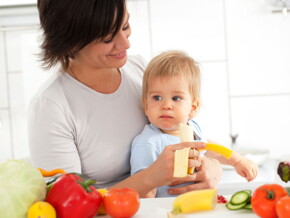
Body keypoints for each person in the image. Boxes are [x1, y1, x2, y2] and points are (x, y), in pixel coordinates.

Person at [28, 0, 222, 198]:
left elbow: (180, 134)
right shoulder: (51, 107)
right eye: (107, 38)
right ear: (70, 40)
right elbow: (68, 202)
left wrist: (214, 168)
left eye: (125, 26)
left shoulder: (139, 70)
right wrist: (149, 178)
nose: (125, 43)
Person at [130, 50, 259, 197]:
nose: (166, 105)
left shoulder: (193, 128)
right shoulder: (149, 143)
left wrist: (237, 161)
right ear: (146, 105)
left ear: (193, 107)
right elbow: (143, 190)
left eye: (176, 98)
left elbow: (207, 147)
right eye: (157, 97)